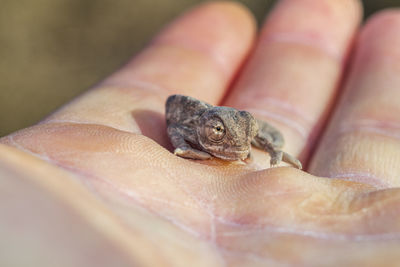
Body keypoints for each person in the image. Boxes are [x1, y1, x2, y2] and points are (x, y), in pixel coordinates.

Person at [1, 0, 400, 266]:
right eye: (220, 135)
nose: (236, 149)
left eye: (240, 139)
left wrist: (275, 149)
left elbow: (260, 133)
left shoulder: (241, 134)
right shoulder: (192, 123)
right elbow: (174, 124)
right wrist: (189, 149)